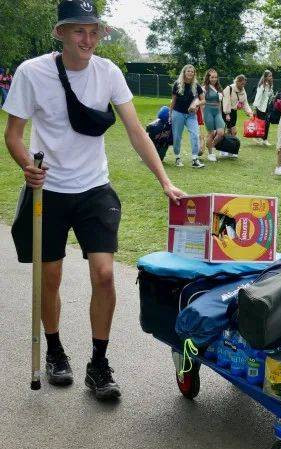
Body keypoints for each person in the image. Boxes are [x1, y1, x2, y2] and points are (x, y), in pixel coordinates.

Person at [3, 0, 184, 400]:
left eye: (94, 31)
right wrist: (25, 166)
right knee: (49, 277)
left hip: (94, 189)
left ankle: (99, 364)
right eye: (78, 31)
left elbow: (137, 131)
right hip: (46, 190)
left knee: (103, 274)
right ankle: (54, 351)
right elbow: (14, 134)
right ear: (60, 34)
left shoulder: (109, 72)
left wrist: (164, 180)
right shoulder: (32, 73)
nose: (88, 39)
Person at [170, 64, 204, 168]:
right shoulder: (177, 84)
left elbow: (203, 100)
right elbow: (173, 100)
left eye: (192, 71)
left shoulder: (196, 86)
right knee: (177, 137)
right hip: (178, 113)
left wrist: (196, 104)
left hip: (191, 115)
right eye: (188, 71)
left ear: (194, 74)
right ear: (184, 72)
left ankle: (195, 159)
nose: (190, 73)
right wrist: (170, 114)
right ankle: (177, 158)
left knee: (195, 135)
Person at [222, 74, 253, 147]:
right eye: (242, 84)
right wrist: (227, 113)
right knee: (234, 131)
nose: (243, 85)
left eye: (244, 84)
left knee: (229, 131)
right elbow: (226, 101)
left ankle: (226, 147)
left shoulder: (243, 90)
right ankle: (232, 146)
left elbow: (245, 103)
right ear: (237, 82)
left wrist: (249, 113)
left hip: (234, 112)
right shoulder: (229, 88)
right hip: (226, 111)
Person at [201, 68, 225, 162]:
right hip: (208, 111)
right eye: (212, 77)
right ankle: (210, 153)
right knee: (211, 133)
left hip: (217, 112)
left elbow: (220, 102)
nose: (214, 79)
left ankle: (211, 146)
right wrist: (203, 115)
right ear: (208, 77)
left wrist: (220, 113)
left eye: (215, 77)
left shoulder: (218, 88)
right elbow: (202, 103)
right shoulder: (204, 88)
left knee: (221, 133)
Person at [252, 69, 274, 146]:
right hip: (260, 108)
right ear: (265, 77)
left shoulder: (270, 86)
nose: (271, 77)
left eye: (271, 76)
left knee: (267, 123)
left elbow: (270, 97)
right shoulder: (262, 86)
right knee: (260, 124)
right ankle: (257, 137)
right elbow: (258, 97)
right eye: (269, 76)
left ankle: (264, 139)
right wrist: (254, 108)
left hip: (267, 108)